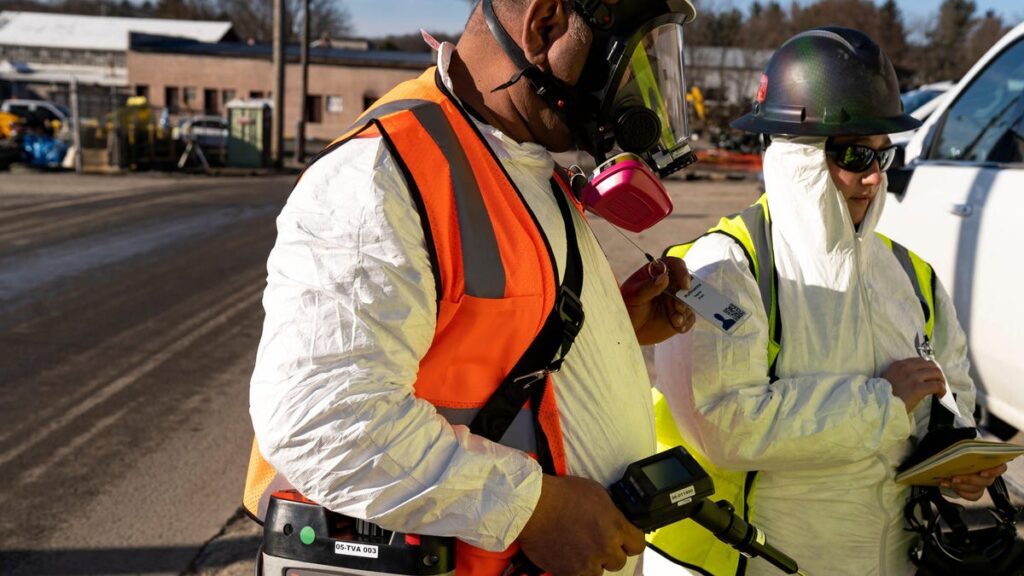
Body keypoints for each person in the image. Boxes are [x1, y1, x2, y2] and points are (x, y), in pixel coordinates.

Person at [245, 2, 700, 576]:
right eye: (631, 62)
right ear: (548, 25)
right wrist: (529, 510)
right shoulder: (379, 175)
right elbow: (323, 420)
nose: (636, 94)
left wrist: (611, 331)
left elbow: (490, 349)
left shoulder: (524, 160)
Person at [648, 27, 1008, 576]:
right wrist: (882, 402)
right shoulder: (722, 269)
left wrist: (956, 458)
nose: (870, 177)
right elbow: (723, 428)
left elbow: (950, 396)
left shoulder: (913, 277)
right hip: (756, 562)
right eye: (855, 153)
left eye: (882, 157)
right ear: (798, 157)